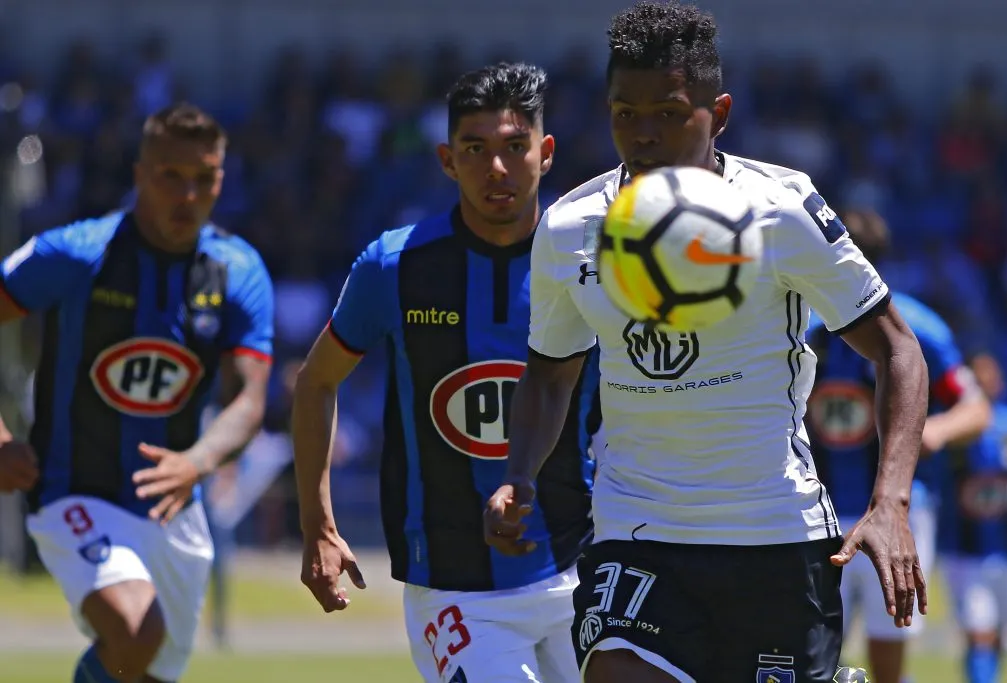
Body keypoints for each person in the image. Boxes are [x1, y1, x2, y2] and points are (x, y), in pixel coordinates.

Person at [483, 3, 930, 682]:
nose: (643, 134)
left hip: (773, 534)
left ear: (717, 114)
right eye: (625, 114)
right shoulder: (571, 227)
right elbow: (549, 374)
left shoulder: (781, 210)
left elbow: (898, 348)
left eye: (668, 113)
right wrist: (518, 475)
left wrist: (890, 501)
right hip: (636, 528)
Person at [292, 62, 601, 683]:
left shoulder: (594, 262)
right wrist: (317, 525)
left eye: (514, 147)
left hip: (585, 571)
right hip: (457, 589)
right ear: (447, 160)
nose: (497, 168)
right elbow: (316, 382)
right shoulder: (394, 266)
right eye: (475, 149)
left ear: (545, 153)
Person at [0, 102, 274, 683]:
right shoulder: (77, 253)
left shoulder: (238, 270)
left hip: (174, 507)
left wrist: (198, 461)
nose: (188, 195)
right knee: (135, 630)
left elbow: (250, 400)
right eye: (171, 176)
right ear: (140, 174)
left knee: (141, 670)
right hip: (75, 489)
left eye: (205, 179)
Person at [806, 209, 991, 683]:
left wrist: (936, 431)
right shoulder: (805, 323)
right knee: (809, 655)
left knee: (886, 649)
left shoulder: (916, 327)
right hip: (814, 510)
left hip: (895, 509)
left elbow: (976, 409)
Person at [937, 352, 1007, 683]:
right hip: (964, 551)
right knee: (979, 633)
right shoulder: (953, 426)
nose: (988, 382)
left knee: (999, 635)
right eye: (981, 376)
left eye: (993, 375)